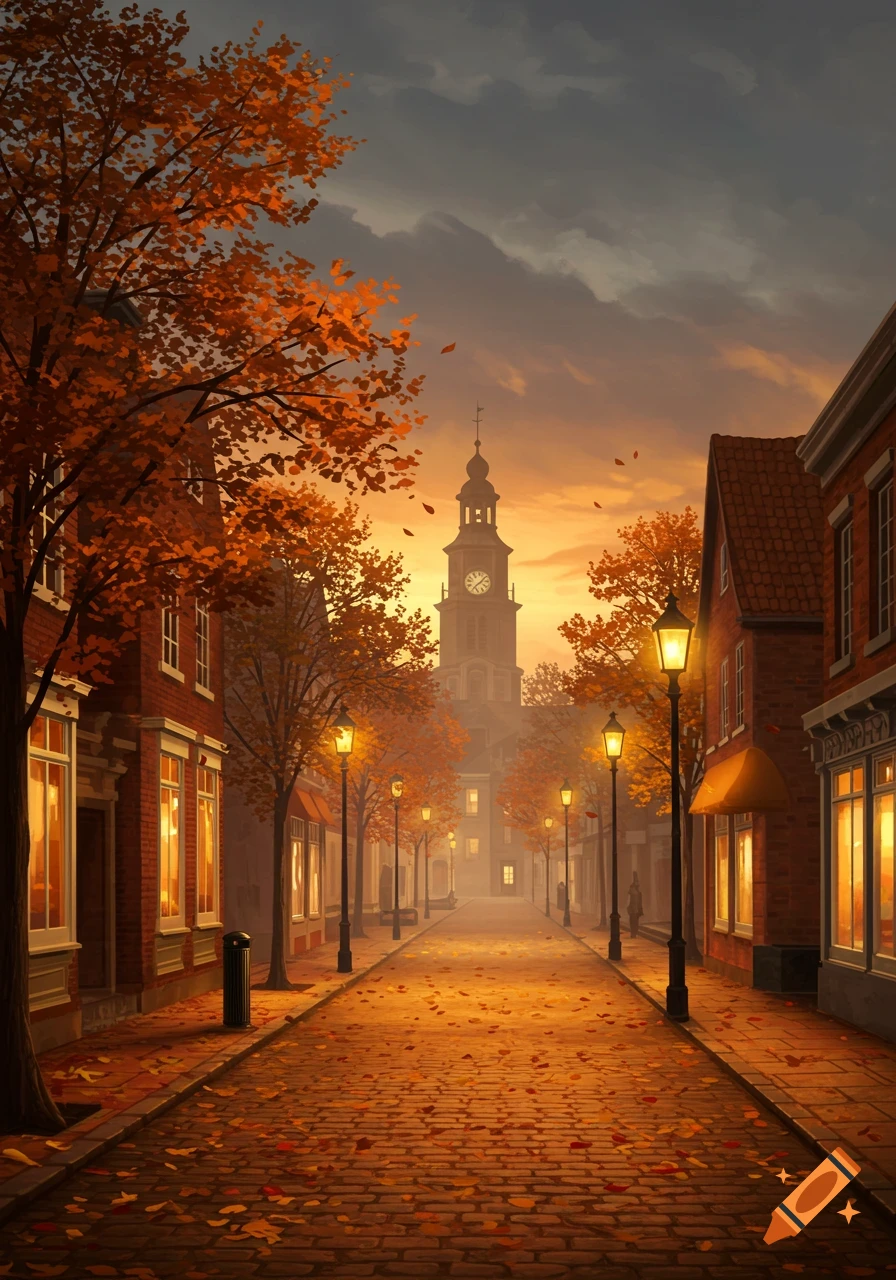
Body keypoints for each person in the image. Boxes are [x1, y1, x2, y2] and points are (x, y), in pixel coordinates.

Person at [628, 872, 643, 937]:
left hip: (636, 909)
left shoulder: (638, 891)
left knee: (635, 922)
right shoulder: (633, 890)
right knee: (633, 922)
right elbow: (630, 900)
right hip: (633, 909)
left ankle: (634, 933)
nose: (638, 883)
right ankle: (633, 933)